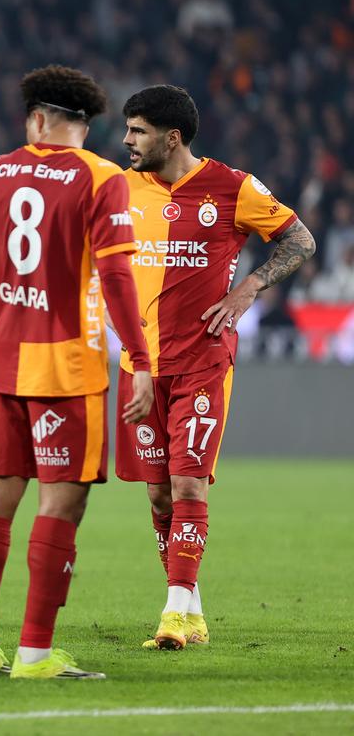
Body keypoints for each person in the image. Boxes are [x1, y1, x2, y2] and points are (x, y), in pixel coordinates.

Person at [0, 65, 154, 679]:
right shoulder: (101, 177)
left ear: (36, 120)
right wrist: (141, 360)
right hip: (70, 365)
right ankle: (35, 652)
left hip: (6, 361)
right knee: (62, 503)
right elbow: (117, 277)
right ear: (81, 125)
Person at [115, 85, 314, 650]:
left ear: (171, 137)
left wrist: (249, 287)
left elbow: (300, 239)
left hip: (204, 359)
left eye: (138, 131)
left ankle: (173, 614)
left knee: (188, 484)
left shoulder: (233, 188)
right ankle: (192, 607)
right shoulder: (119, 190)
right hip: (141, 367)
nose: (127, 140)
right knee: (158, 496)